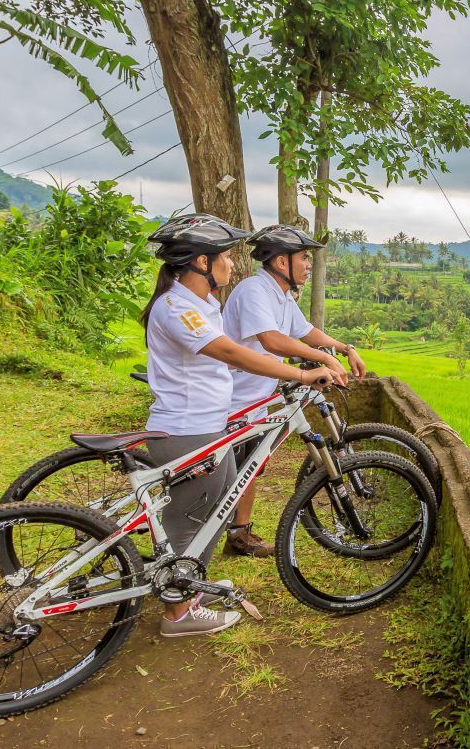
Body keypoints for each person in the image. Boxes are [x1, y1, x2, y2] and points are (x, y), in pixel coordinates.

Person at [140, 213, 337, 637]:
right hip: (188, 428)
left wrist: (328, 352)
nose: (232, 264)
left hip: (207, 424)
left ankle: (191, 585)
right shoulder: (177, 307)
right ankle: (178, 613)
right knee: (190, 521)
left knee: (215, 511)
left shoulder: (199, 304)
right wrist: (301, 374)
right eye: (225, 257)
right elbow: (231, 352)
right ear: (199, 262)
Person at [217, 224, 364, 557]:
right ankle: (192, 538)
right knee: (226, 473)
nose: (309, 265)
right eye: (303, 258)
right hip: (229, 399)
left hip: (254, 398)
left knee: (252, 466)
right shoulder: (254, 290)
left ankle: (239, 534)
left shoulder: (280, 295)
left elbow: (306, 331)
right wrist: (317, 362)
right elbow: (271, 339)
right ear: (281, 262)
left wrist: (343, 347)